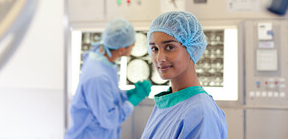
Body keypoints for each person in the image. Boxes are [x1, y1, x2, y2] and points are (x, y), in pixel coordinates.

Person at [141, 11, 228, 139]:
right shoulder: (166, 103)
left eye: (169, 47)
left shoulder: (199, 112)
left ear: (192, 47)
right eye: (154, 49)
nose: (159, 58)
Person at [66, 18, 152, 139]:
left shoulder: (101, 58)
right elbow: (109, 120)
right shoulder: (98, 77)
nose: (133, 46)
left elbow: (107, 95)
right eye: (132, 44)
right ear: (122, 50)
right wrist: (133, 100)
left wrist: (127, 94)